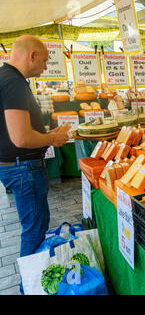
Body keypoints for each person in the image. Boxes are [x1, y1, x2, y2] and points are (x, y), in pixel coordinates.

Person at [0, 35, 69, 273]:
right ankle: (30, 284)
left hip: (14, 166)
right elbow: (21, 137)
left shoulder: (4, 77)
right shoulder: (14, 82)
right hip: (23, 169)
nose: (46, 66)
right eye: (45, 60)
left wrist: (47, 133)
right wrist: (53, 138)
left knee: (35, 227)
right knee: (34, 230)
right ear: (32, 56)